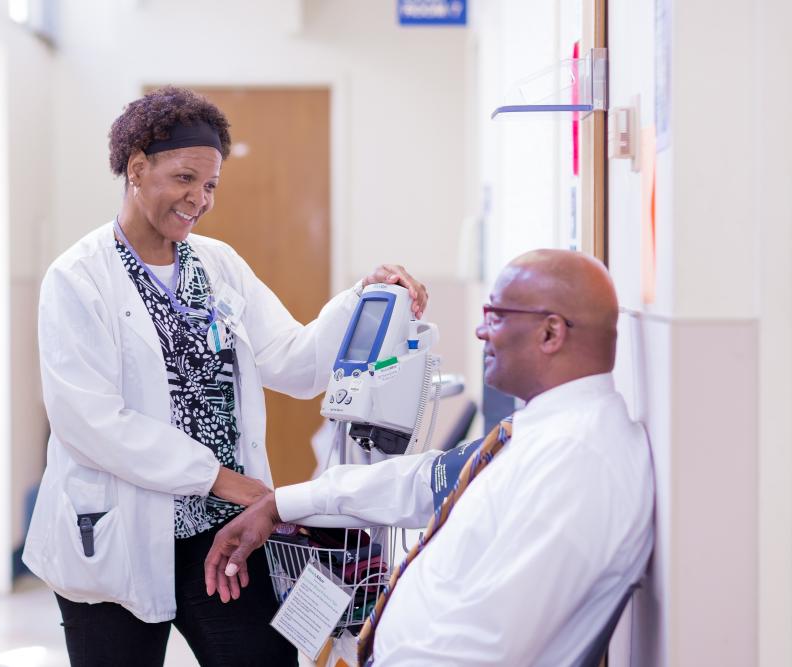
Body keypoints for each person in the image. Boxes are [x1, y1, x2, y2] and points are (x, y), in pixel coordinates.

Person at [22, 86, 428, 667]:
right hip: (121, 534)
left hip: (223, 538)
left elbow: (295, 362)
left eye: (210, 185)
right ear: (136, 168)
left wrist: (363, 298)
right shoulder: (78, 278)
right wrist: (220, 479)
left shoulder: (218, 265)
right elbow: (90, 422)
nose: (199, 199)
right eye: (185, 178)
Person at [205, 249, 655, 666]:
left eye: (495, 316)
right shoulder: (544, 432)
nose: (481, 331)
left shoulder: (576, 466)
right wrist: (283, 503)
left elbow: (491, 650)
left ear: (551, 332)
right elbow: (424, 480)